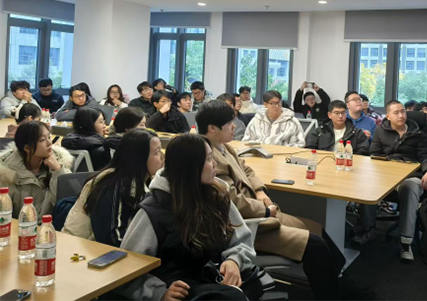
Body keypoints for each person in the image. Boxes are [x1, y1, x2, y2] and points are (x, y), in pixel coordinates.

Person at [196, 101, 347, 301]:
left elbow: (247, 170)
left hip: (259, 213)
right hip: (247, 226)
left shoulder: (224, 147)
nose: (234, 126)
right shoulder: (206, 157)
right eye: (229, 123)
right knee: (315, 245)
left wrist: (259, 191)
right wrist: (266, 210)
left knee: (316, 228)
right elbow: (232, 202)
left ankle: (340, 285)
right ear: (212, 128)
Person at [117, 134, 256, 301]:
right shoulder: (154, 211)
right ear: (191, 167)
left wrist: (235, 260)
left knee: (248, 286)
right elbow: (127, 268)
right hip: (178, 290)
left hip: (212, 278)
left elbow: (241, 240)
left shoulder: (216, 196)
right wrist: (158, 292)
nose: (215, 164)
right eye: (209, 159)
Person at [354, 101, 427, 262]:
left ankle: (406, 242)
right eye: (396, 113)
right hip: (385, 174)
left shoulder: (416, 133)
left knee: (410, 188)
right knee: (367, 183)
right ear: (388, 116)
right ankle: (368, 229)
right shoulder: (380, 131)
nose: (401, 115)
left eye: (403, 111)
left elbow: (425, 156)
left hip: (410, 175)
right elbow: (373, 154)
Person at [63, 129, 164, 246]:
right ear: (139, 158)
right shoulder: (112, 185)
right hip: (81, 249)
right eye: (157, 152)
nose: (162, 156)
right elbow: (112, 239)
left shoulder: (144, 181)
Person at [0, 121, 73, 217]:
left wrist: (58, 170)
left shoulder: (58, 162)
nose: (49, 143)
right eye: (42, 140)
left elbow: (69, 201)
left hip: (50, 225)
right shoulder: (7, 173)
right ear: (27, 148)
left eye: (49, 137)